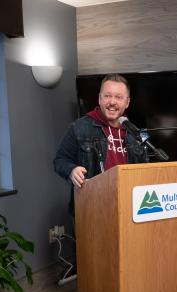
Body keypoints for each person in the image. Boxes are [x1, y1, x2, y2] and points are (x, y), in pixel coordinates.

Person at [53, 74, 148, 213]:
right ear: (99, 99)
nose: (112, 102)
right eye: (107, 96)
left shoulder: (135, 132)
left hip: (130, 208)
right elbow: (59, 161)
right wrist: (71, 170)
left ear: (127, 102)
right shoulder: (79, 127)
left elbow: (144, 169)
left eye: (118, 97)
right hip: (91, 209)